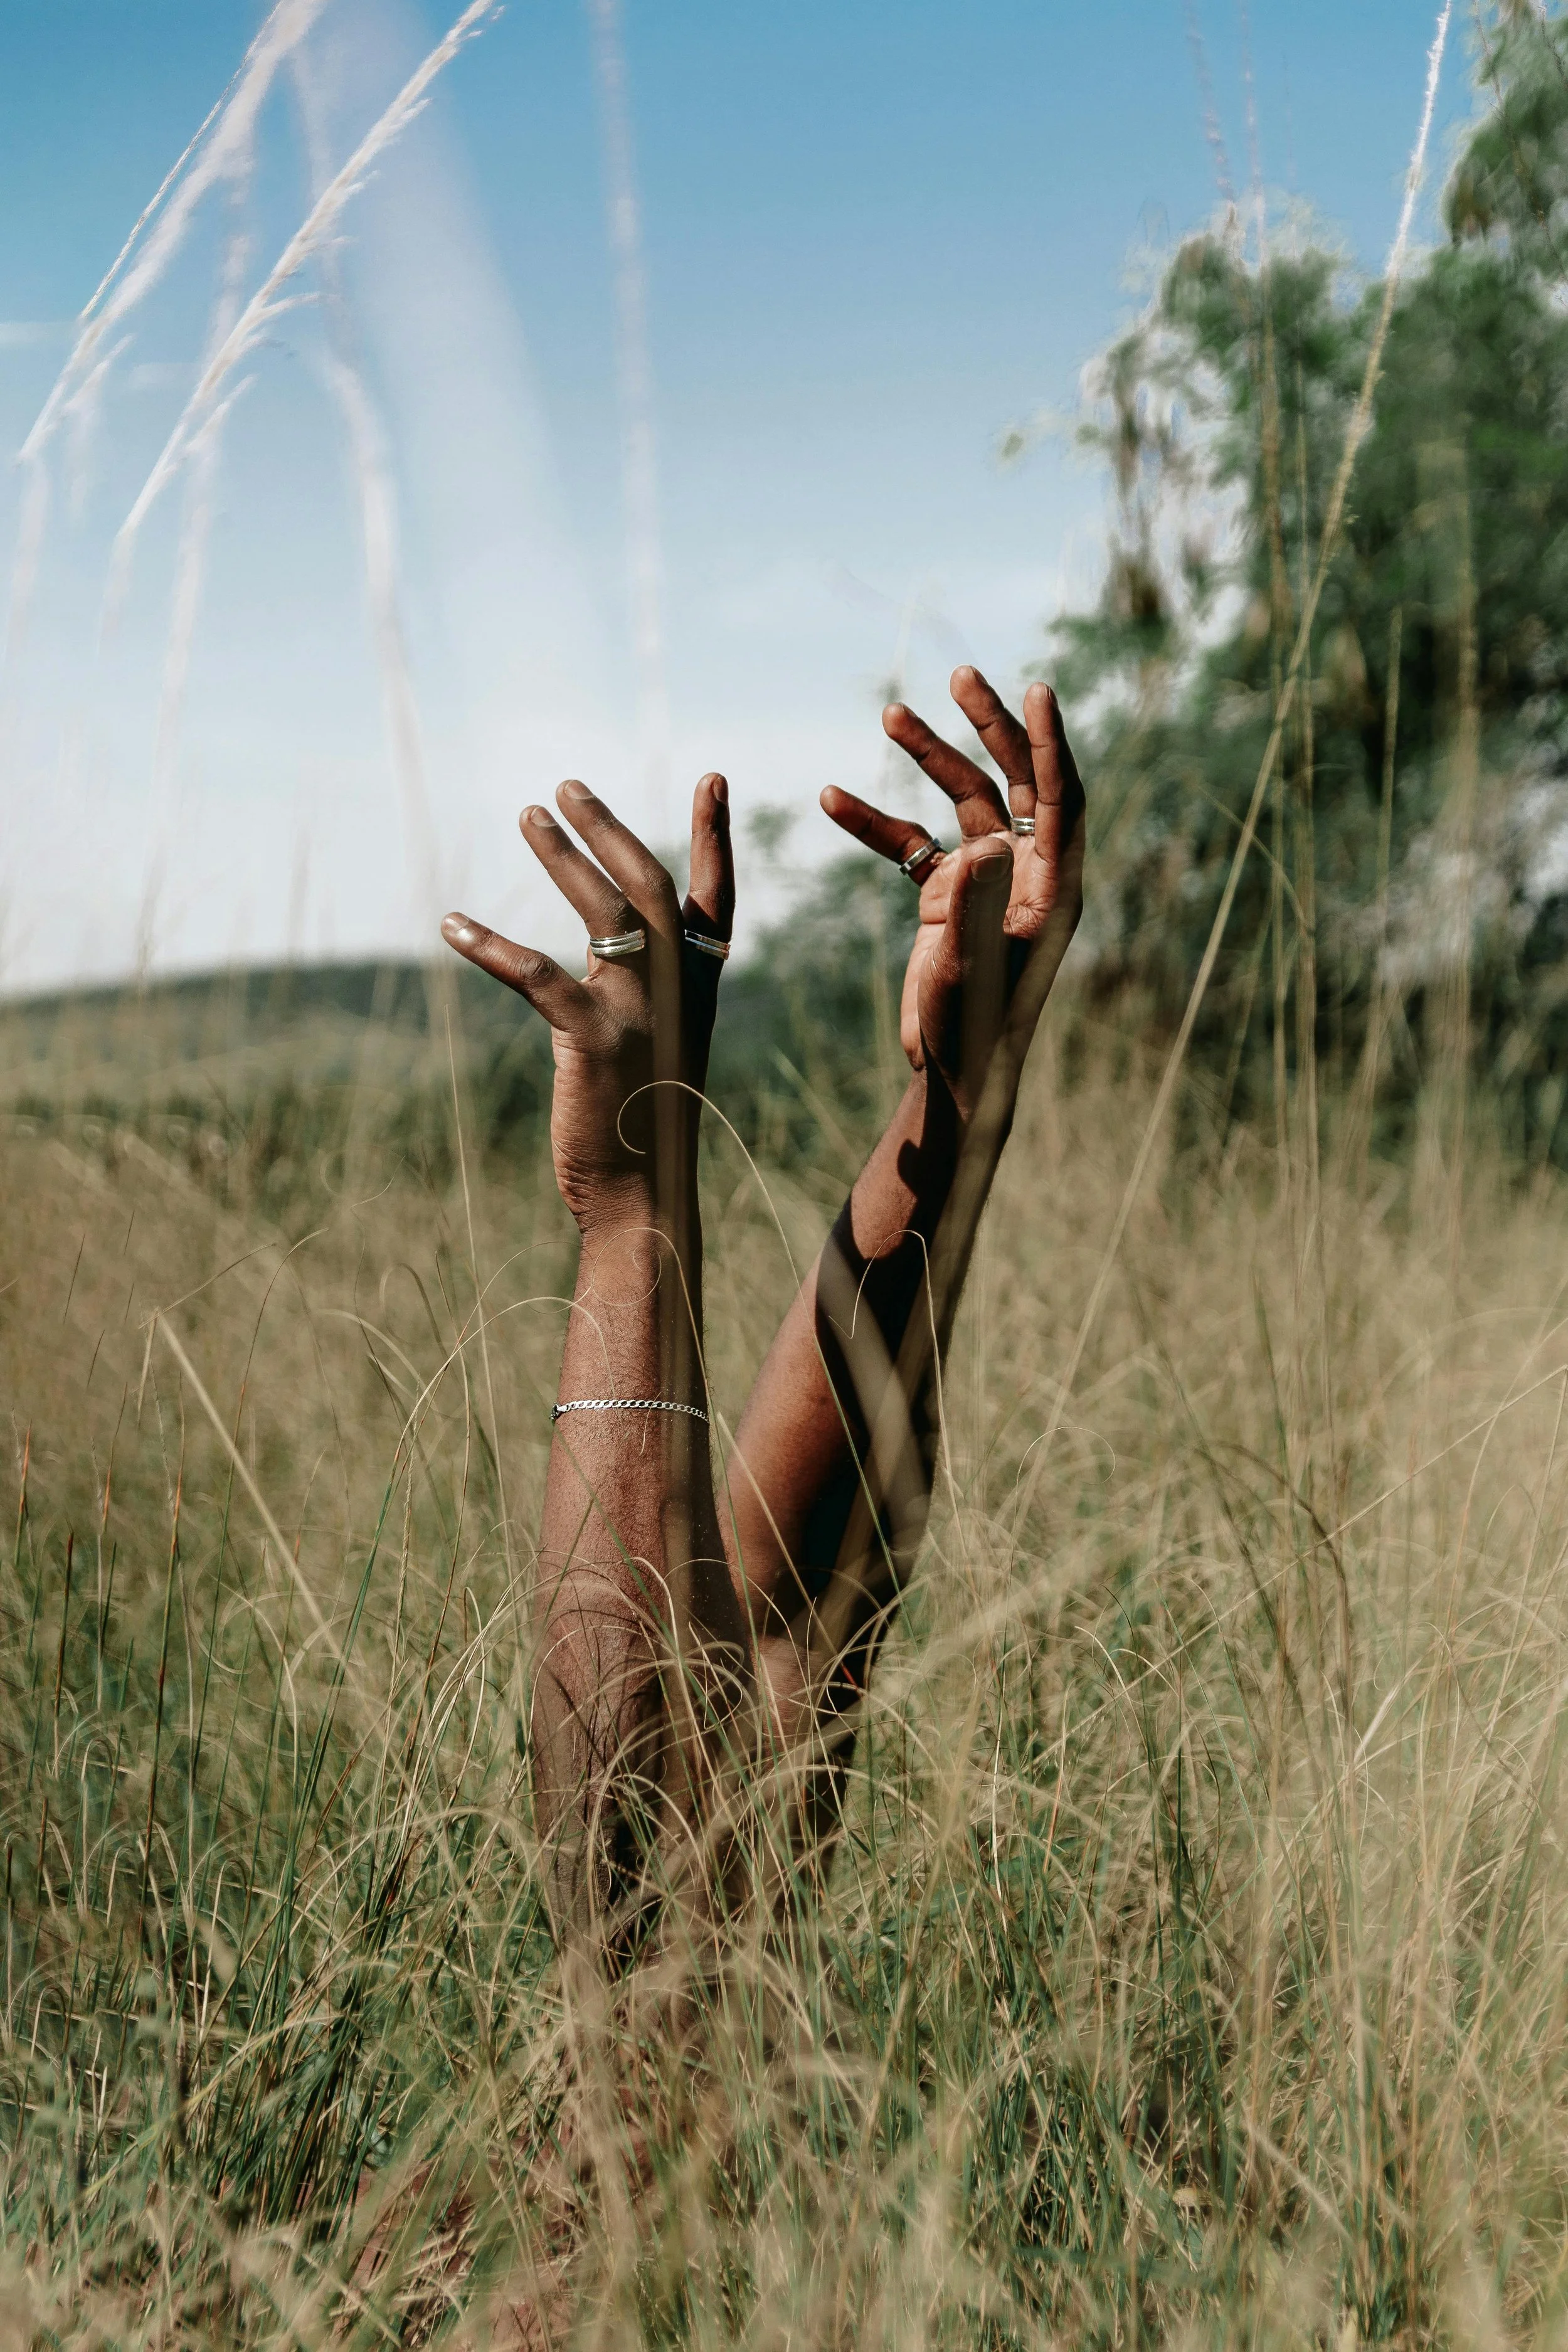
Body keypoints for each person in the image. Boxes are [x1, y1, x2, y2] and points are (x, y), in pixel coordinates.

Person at [440, 666, 1085, 1951]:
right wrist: (957, 1098)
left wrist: (631, 1219)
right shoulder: (759, 2098)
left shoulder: (657, 2122)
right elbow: (789, 1621)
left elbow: (625, 1904)